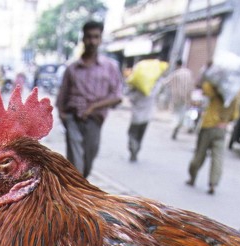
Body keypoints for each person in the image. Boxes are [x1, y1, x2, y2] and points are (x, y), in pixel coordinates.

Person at [55, 20, 124, 178]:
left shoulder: (109, 67)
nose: (92, 41)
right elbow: (62, 96)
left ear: (100, 39)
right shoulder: (72, 68)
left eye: (96, 37)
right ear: (83, 39)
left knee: (87, 163)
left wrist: (93, 108)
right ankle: (74, 197)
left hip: (95, 120)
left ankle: (79, 192)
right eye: (88, 37)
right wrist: (64, 117)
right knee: (75, 165)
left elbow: (117, 96)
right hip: (73, 118)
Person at [185, 70, 239, 196]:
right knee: (218, 157)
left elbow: (205, 89)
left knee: (200, 154)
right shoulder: (233, 94)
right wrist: (225, 121)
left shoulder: (214, 90)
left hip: (208, 126)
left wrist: (208, 76)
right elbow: (235, 114)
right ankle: (213, 184)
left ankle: (192, 178)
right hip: (221, 128)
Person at [126, 58, 168, 162]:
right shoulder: (153, 89)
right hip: (147, 117)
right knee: (140, 136)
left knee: (132, 134)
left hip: (136, 117)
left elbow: (128, 94)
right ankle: (136, 150)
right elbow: (160, 83)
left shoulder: (137, 91)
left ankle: (133, 149)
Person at [165, 59, 194, 139]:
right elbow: (191, 85)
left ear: (177, 65)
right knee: (182, 113)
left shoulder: (176, 74)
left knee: (176, 113)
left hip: (176, 98)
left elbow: (166, 83)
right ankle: (178, 127)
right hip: (185, 98)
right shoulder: (188, 73)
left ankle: (175, 126)